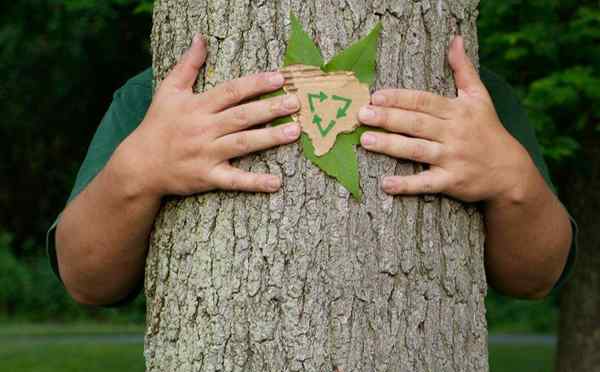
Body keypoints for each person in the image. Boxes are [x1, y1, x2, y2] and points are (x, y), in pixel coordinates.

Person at [48, 34, 576, 306]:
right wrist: (136, 171)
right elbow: (86, 281)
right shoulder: (159, 97)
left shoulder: (472, 98)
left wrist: (514, 181)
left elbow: (535, 278)